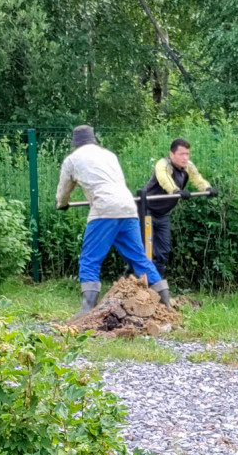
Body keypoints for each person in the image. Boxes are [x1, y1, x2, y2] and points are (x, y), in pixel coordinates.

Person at [56, 125, 171, 316]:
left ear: (75, 144)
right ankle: (166, 302)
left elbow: (64, 189)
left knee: (90, 259)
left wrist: (62, 203)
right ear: (93, 140)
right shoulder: (109, 155)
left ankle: (87, 307)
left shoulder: (72, 160)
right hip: (127, 208)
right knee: (139, 258)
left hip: (104, 210)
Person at [143, 138, 217, 277]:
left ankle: (156, 284)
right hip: (147, 210)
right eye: (182, 154)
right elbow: (165, 179)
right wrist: (176, 191)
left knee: (163, 251)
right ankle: (135, 284)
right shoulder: (163, 164)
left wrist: (208, 188)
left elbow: (197, 179)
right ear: (172, 154)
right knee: (146, 250)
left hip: (163, 214)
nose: (185, 158)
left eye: (187, 154)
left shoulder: (188, 166)